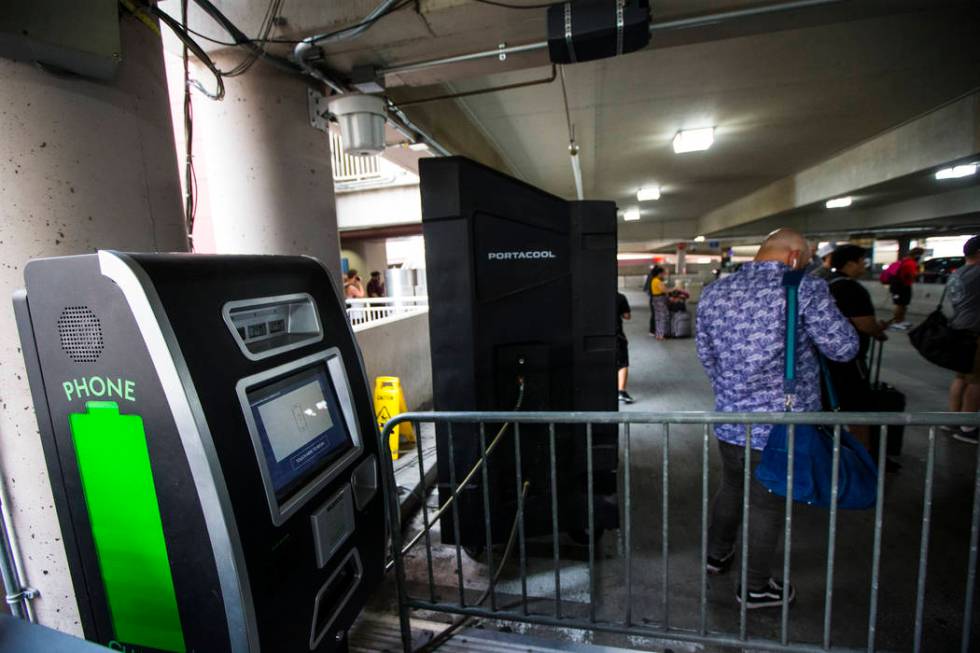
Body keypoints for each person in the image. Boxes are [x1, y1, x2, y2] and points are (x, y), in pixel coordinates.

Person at [696, 228, 858, 609]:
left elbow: (706, 354)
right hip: (780, 427)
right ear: (794, 257)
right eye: (808, 257)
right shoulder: (803, 288)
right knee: (768, 503)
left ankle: (716, 557)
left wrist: (732, 392)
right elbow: (844, 348)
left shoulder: (716, 290)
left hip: (732, 418)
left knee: (732, 487)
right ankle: (754, 587)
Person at [823, 245, 891, 456]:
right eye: (862, 260)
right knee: (858, 409)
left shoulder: (825, 284)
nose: (865, 265)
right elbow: (865, 324)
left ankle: (830, 453)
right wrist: (878, 330)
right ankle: (863, 457)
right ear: (850, 263)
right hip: (849, 361)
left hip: (824, 360)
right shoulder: (852, 289)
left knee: (827, 407)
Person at [943, 235, 980, 444]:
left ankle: (954, 419)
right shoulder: (978, 273)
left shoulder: (958, 274)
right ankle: (968, 427)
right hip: (975, 332)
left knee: (961, 377)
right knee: (976, 381)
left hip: (959, 329)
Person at [887, 247, 924, 329]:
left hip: (901, 286)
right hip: (901, 287)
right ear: (916, 255)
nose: (921, 257)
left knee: (903, 305)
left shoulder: (905, 261)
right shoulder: (910, 263)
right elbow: (911, 275)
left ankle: (901, 320)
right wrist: (918, 273)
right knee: (900, 305)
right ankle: (897, 322)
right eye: (920, 255)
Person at [616, 292, 634, 403]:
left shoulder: (595, 297)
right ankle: (621, 391)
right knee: (622, 363)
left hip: (596, 334)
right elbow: (627, 316)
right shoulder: (620, 297)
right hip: (616, 334)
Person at [649, 266, 669, 340]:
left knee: (658, 317)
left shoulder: (653, 280)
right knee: (663, 317)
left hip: (655, 299)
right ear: (659, 273)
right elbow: (665, 290)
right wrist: (675, 289)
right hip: (660, 299)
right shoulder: (657, 281)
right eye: (663, 273)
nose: (664, 275)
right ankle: (661, 335)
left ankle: (658, 334)